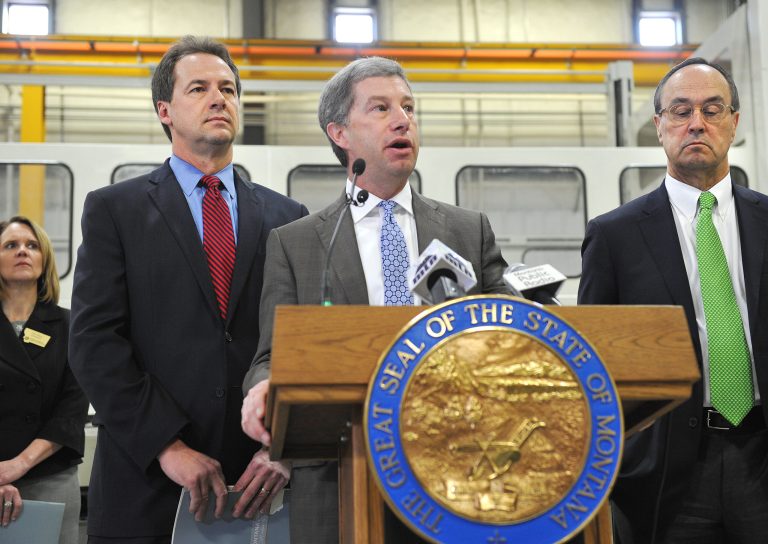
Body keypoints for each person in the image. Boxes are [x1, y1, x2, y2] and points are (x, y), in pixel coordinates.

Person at [241, 56, 509, 543]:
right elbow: (270, 357)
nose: (402, 119)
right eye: (381, 108)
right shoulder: (295, 242)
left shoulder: (468, 230)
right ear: (340, 133)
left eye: (408, 107)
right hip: (338, 472)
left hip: (460, 468)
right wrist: (263, 388)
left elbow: (519, 329)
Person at [68, 36, 308, 543]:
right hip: (147, 481)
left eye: (228, 89)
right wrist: (167, 447)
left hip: (257, 483)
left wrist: (283, 449)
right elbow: (94, 342)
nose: (218, 99)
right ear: (165, 110)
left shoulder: (289, 219)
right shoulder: (115, 210)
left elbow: (301, 345)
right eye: (198, 88)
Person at [579, 57, 768, 543]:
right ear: (659, 125)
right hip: (667, 473)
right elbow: (593, 365)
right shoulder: (613, 235)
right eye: (681, 111)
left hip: (762, 458)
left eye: (712, 109)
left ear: (734, 123)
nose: (697, 123)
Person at [0, 216, 88, 543]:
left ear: (43, 259)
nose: (23, 251)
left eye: (32, 245)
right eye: (11, 245)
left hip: (49, 476)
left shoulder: (70, 325)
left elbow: (72, 409)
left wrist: (17, 466)